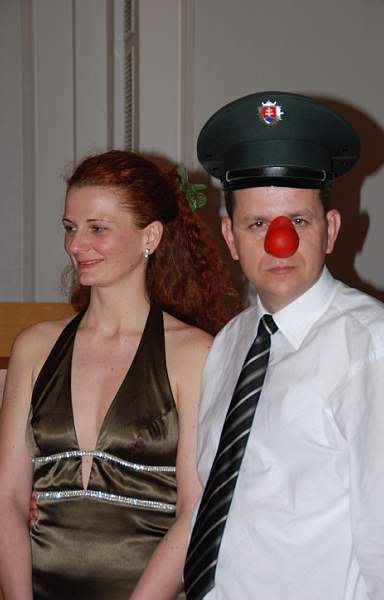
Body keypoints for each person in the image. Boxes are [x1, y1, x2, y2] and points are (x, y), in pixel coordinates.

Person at [183, 91, 384, 600]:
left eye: (298, 221)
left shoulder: (378, 351)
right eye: (258, 224)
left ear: (331, 230)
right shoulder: (229, 345)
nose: (279, 242)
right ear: (230, 237)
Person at [0, 150, 239, 600]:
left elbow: (196, 509)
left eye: (98, 228)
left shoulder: (194, 353)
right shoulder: (34, 347)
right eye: (70, 227)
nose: (76, 245)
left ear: (150, 235)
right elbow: (8, 499)